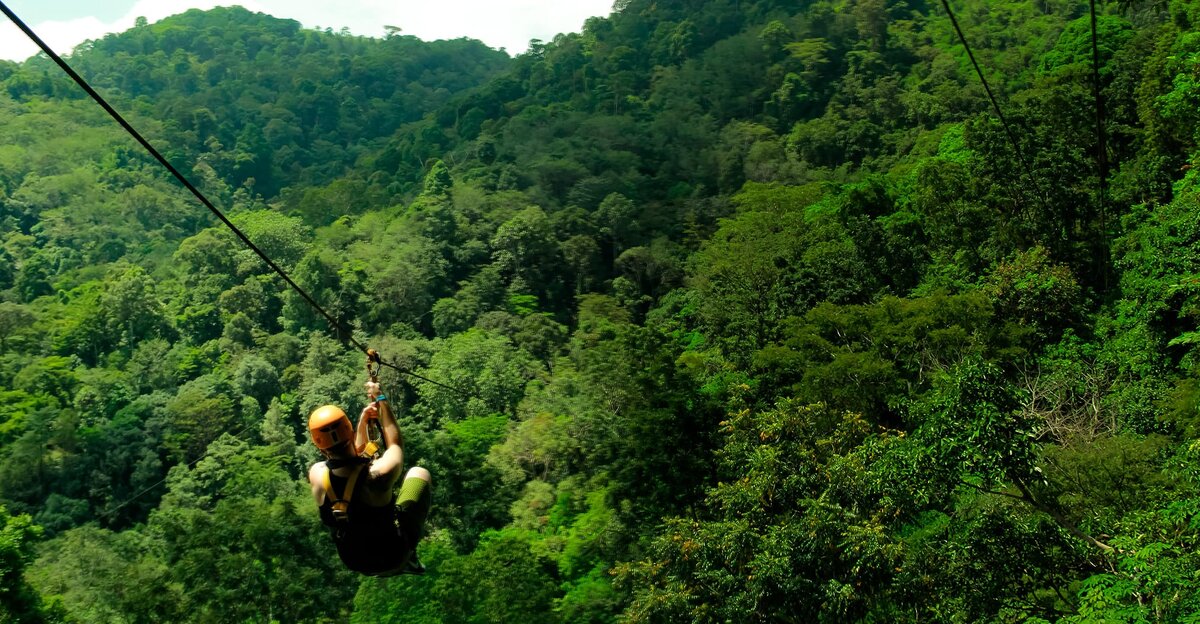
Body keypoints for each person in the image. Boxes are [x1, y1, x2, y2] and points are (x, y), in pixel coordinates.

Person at [307, 381, 431, 576]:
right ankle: (410, 557)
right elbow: (395, 444)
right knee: (419, 473)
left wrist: (363, 424)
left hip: (357, 561)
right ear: (349, 431)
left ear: (319, 446)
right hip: (394, 555)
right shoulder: (380, 474)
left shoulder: (317, 475)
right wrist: (380, 398)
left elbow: (350, 465)